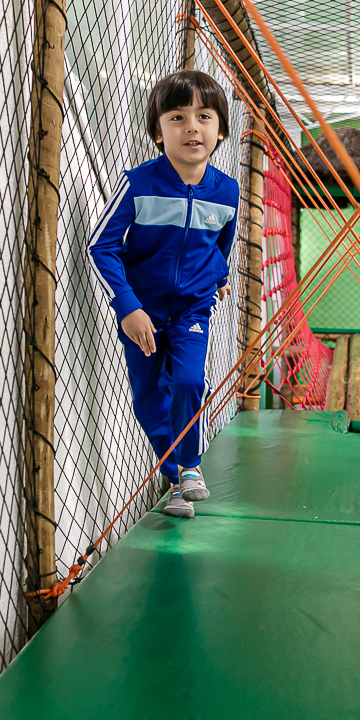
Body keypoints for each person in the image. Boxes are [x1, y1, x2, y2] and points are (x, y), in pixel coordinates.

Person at [87, 70, 240, 519]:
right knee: (150, 402)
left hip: (194, 308)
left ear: (220, 130)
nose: (192, 127)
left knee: (189, 382)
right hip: (143, 313)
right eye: (177, 117)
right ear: (158, 132)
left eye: (204, 116)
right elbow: (101, 246)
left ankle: (190, 467)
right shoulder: (138, 184)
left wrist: (218, 276)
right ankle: (175, 482)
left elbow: (221, 244)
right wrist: (127, 307)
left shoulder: (227, 191)